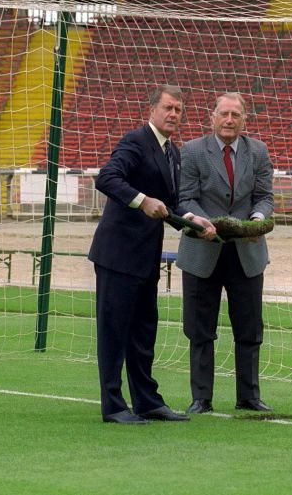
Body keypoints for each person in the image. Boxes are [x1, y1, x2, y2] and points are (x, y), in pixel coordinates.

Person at [88, 84, 215, 425]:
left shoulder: (172, 152)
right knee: (114, 332)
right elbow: (107, 178)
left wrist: (190, 220)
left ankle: (147, 401)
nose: (173, 114)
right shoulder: (135, 141)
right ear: (152, 110)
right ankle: (113, 405)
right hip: (117, 255)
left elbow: (168, 206)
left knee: (144, 332)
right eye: (168, 108)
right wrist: (141, 200)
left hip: (145, 259)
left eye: (179, 110)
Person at [176, 92, 275, 414]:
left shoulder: (257, 151)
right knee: (199, 328)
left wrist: (258, 221)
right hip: (201, 252)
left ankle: (248, 396)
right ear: (212, 118)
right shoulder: (191, 151)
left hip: (246, 252)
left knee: (249, 328)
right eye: (224, 114)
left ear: (244, 119)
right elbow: (185, 198)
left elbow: (264, 197)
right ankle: (201, 398)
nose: (229, 120)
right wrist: (201, 221)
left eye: (235, 115)